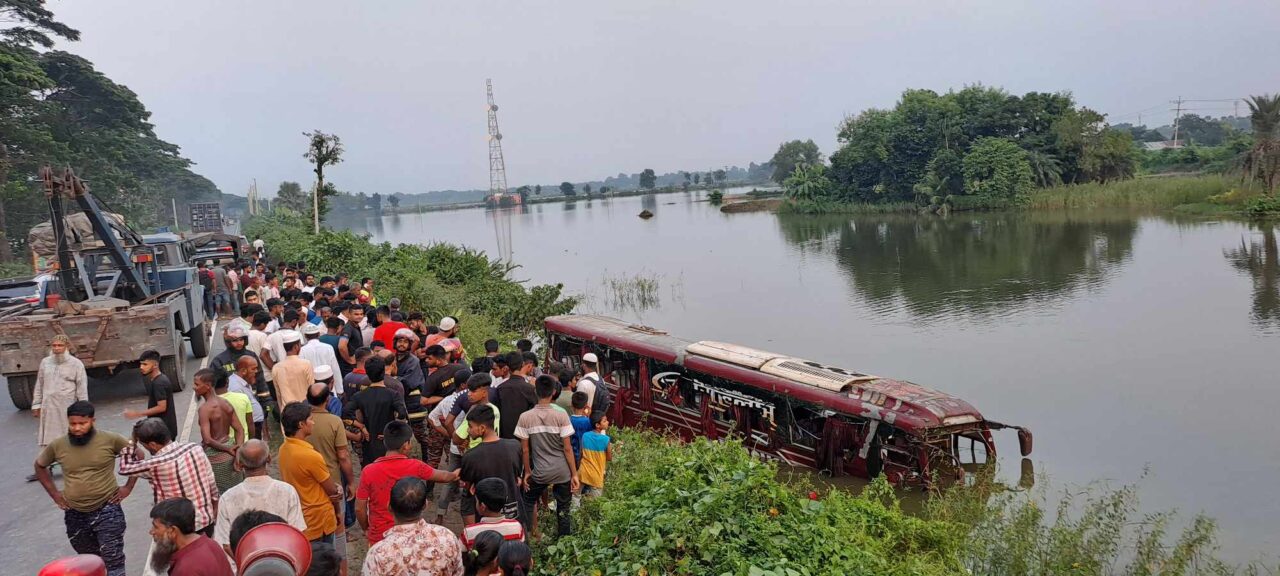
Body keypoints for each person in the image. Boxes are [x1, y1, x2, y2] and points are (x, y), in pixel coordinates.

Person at [34, 401, 136, 576]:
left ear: (92, 421)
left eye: (82, 423)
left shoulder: (111, 440)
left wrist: (127, 488)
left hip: (107, 510)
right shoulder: (58, 445)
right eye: (73, 424)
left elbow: (137, 456)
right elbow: (39, 466)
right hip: (75, 513)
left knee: (113, 559)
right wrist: (55, 495)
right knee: (89, 562)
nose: (77, 428)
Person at [356, 421, 458, 545]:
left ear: (385, 442)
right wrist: (455, 474)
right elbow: (443, 476)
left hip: (379, 536)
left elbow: (359, 508)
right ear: (405, 445)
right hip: (410, 535)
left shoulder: (369, 471)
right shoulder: (416, 466)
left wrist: (366, 528)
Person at [119, 417, 220, 535]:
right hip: (205, 520)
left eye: (143, 444)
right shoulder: (195, 448)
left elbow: (125, 468)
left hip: (176, 529)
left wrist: (132, 441)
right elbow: (211, 481)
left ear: (152, 444)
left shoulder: (155, 464)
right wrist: (215, 505)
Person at [214, 439, 307, 557]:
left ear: (240, 464)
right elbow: (298, 534)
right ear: (269, 459)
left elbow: (225, 544)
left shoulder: (227, 498)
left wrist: (248, 565)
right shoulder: (287, 491)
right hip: (281, 564)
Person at [361, 477, 464, 576]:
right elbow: (458, 572)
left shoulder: (378, 554)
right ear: (425, 505)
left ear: (389, 507)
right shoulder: (447, 537)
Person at [516, 375, 579, 537]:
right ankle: (564, 544)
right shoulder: (561, 415)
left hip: (540, 471)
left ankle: (528, 537)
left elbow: (525, 450)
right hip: (562, 470)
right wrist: (574, 474)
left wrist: (528, 471)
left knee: (528, 501)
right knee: (563, 508)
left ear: (536, 391)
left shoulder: (525, 417)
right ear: (553, 392)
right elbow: (567, 449)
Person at [305, 383, 356, 567]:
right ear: (328, 399)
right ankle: (339, 566)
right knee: (338, 527)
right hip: (333, 484)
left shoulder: (300, 423)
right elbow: (343, 456)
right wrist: (351, 482)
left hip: (308, 487)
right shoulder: (335, 422)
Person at [278, 402, 340, 545]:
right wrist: (337, 509)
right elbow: (332, 491)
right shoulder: (310, 456)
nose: (313, 422)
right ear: (301, 424)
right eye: (310, 419)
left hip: (301, 518)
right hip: (319, 521)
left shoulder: (283, 449)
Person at [32, 335, 90, 473]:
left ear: (66, 347)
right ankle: (43, 468)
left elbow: (81, 386)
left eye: (60, 346)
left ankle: (75, 465)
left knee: (70, 435)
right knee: (47, 439)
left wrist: (84, 408)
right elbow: (39, 384)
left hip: (67, 407)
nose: (57, 348)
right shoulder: (45, 362)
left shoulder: (76, 364)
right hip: (49, 407)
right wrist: (36, 404)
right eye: (54, 346)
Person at [459, 404, 522, 525]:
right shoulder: (514, 446)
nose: (468, 430)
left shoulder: (471, 456)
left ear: (482, 428)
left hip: (486, 513)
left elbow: (467, 487)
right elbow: (516, 477)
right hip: (512, 511)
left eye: (470, 426)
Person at [342, 356, 408, 466]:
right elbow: (402, 414)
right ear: (383, 372)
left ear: (367, 373)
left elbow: (345, 414)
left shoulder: (359, 396)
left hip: (369, 441)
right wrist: (390, 431)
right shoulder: (393, 394)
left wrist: (361, 427)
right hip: (388, 443)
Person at [149, 498, 233, 576]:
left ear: (173, 531)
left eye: (156, 527)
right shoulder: (211, 543)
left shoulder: (186, 569)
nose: (151, 532)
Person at [195, 368, 245, 493]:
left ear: (207, 386)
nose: (193, 387)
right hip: (231, 450)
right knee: (237, 491)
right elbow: (240, 430)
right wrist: (237, 449)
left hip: (215, 456)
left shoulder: (204, 409)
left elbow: (207, 439)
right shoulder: (225, 403)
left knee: (219, 495)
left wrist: (227, 449)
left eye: (196, 384)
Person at [428, 384, 469, 524]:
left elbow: (432, 417)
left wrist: (449, 435)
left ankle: (440, 515)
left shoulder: (447, 400)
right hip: (469, 446)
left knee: (449, 479)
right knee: (473, 480)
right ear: (465, 384)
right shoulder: (469, 399)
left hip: (454, 447)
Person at [417, 342, 462, 464]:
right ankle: (454, 479)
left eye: (429, 358)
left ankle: (431, 482)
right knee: (454, 454)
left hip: (438, 420)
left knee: (433, 457)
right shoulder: (460, 369)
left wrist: (442, 397)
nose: (426, 360)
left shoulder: (433, 378)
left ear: (438, 360)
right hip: (456, 418)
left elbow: (423, 401)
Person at [123, 349, 179, 441]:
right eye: (141, 364)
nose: (141, 367)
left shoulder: (159, 383)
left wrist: (137, 414)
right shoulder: (158, 379)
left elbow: (161, 407)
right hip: (162, 429)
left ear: (155, 365)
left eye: (145, 364)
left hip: (163, 431)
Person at [461, 478, 525, 548]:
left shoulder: (468, 533)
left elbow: (462, 557)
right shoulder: (516, 527)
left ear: (482, 506)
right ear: (506, 499)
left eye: (476, 500)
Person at [494, 352, 537, 440]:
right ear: (522, 364)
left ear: (507, 367)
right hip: (524, 436)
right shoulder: (529, 389)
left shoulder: (500, 388)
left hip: (504, 436)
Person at [270, 330, 315, 407]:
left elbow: (279, 395)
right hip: (304, 410)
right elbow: (312, 388)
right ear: (296, 347)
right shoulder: (306, 364)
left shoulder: (276, 368)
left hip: (287, 412)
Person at [229, 356, 267, 440]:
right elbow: (240, 415)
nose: (256, 371)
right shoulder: (236, 388)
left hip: (254, 425)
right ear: (243, 371)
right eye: (253, 369)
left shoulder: (243, 382)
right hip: (250, 428)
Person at [300, 322, 343, 396]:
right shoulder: (328, 347)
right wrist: (340, 390)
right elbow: (335, 369)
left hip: (313, 390)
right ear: (319, 334)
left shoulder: (302, 350)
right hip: (329, 386)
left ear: (305, 336)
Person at [579, 413, 614, 498]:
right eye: (604, 421)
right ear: (597, 425)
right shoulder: (606, 439)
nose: (608, 422)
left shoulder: (585, 435)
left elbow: (581, 453)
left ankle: (574, 511)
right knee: (596, 502)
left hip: (583, 471)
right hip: (596, 474)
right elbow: (609, 458)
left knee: (576, 496)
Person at [577, 352, 610, 419]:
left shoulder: (583, 383)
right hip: (596, 419)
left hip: (585, 418)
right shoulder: (601, 380)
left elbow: (579, 405)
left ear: (584, 366)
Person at [569, 392, 592, 466]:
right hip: (585, 456)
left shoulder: (568, 420)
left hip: (571, 455)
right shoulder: (588, 421)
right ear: (586, 405)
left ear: (572, 404)